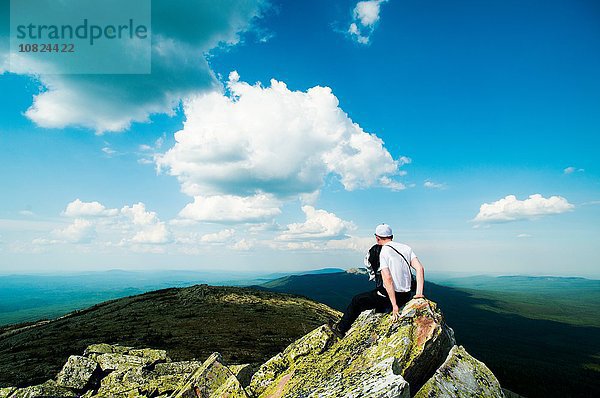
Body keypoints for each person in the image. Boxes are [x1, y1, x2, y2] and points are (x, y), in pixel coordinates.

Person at [330, 224, 426, 338]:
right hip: (407, 295)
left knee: (357, 300)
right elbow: (420, 268)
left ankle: (340, 329)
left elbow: (387, 278)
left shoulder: (384, 251)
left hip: (390, 296)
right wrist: (419, 293)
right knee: (374, 297)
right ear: (392, 236)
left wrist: (394, 305)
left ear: (377, 237)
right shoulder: (406, 248)